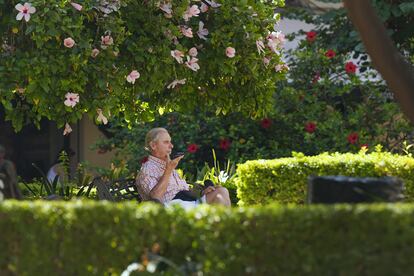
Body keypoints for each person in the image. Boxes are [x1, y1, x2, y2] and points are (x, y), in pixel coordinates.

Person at [136, 128, 231, 209]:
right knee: (219, 197)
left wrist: (202, 192)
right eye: (166, 142)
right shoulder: (147, 169)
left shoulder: (167, 164)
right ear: (153, 145)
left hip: (188, 203)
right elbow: (155, 198)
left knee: (221, 191)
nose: (171, 146)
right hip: (173, 208)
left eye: (170, 142)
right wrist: (168, 170)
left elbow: (182, 190)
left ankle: (225, 228)